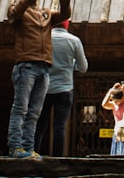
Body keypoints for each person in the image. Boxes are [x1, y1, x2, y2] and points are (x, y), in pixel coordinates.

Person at [5, 0, 71, 159]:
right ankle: (15, 147)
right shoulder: (16, 10)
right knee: (21, 108)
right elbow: (15, 12)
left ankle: (28, 147)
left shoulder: (45, 14)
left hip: (44, 67)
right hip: (26, 65)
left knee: (35, 112)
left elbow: (65, 15)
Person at [34, 19, 88, 156]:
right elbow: (83, 67)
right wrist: (71, 64)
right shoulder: (74, 41)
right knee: (59, 125)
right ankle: (57, 156)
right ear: (67, 25)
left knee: (39, 124)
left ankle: (32, 152)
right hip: (64, 89)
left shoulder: (42, 40)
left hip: (43, 88)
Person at [101, 82, 124, 156]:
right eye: (115, 101)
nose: (117, 103)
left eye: (118, 101)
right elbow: (104, 104)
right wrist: (110, 91)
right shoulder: (114, 104)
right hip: (118, 132)